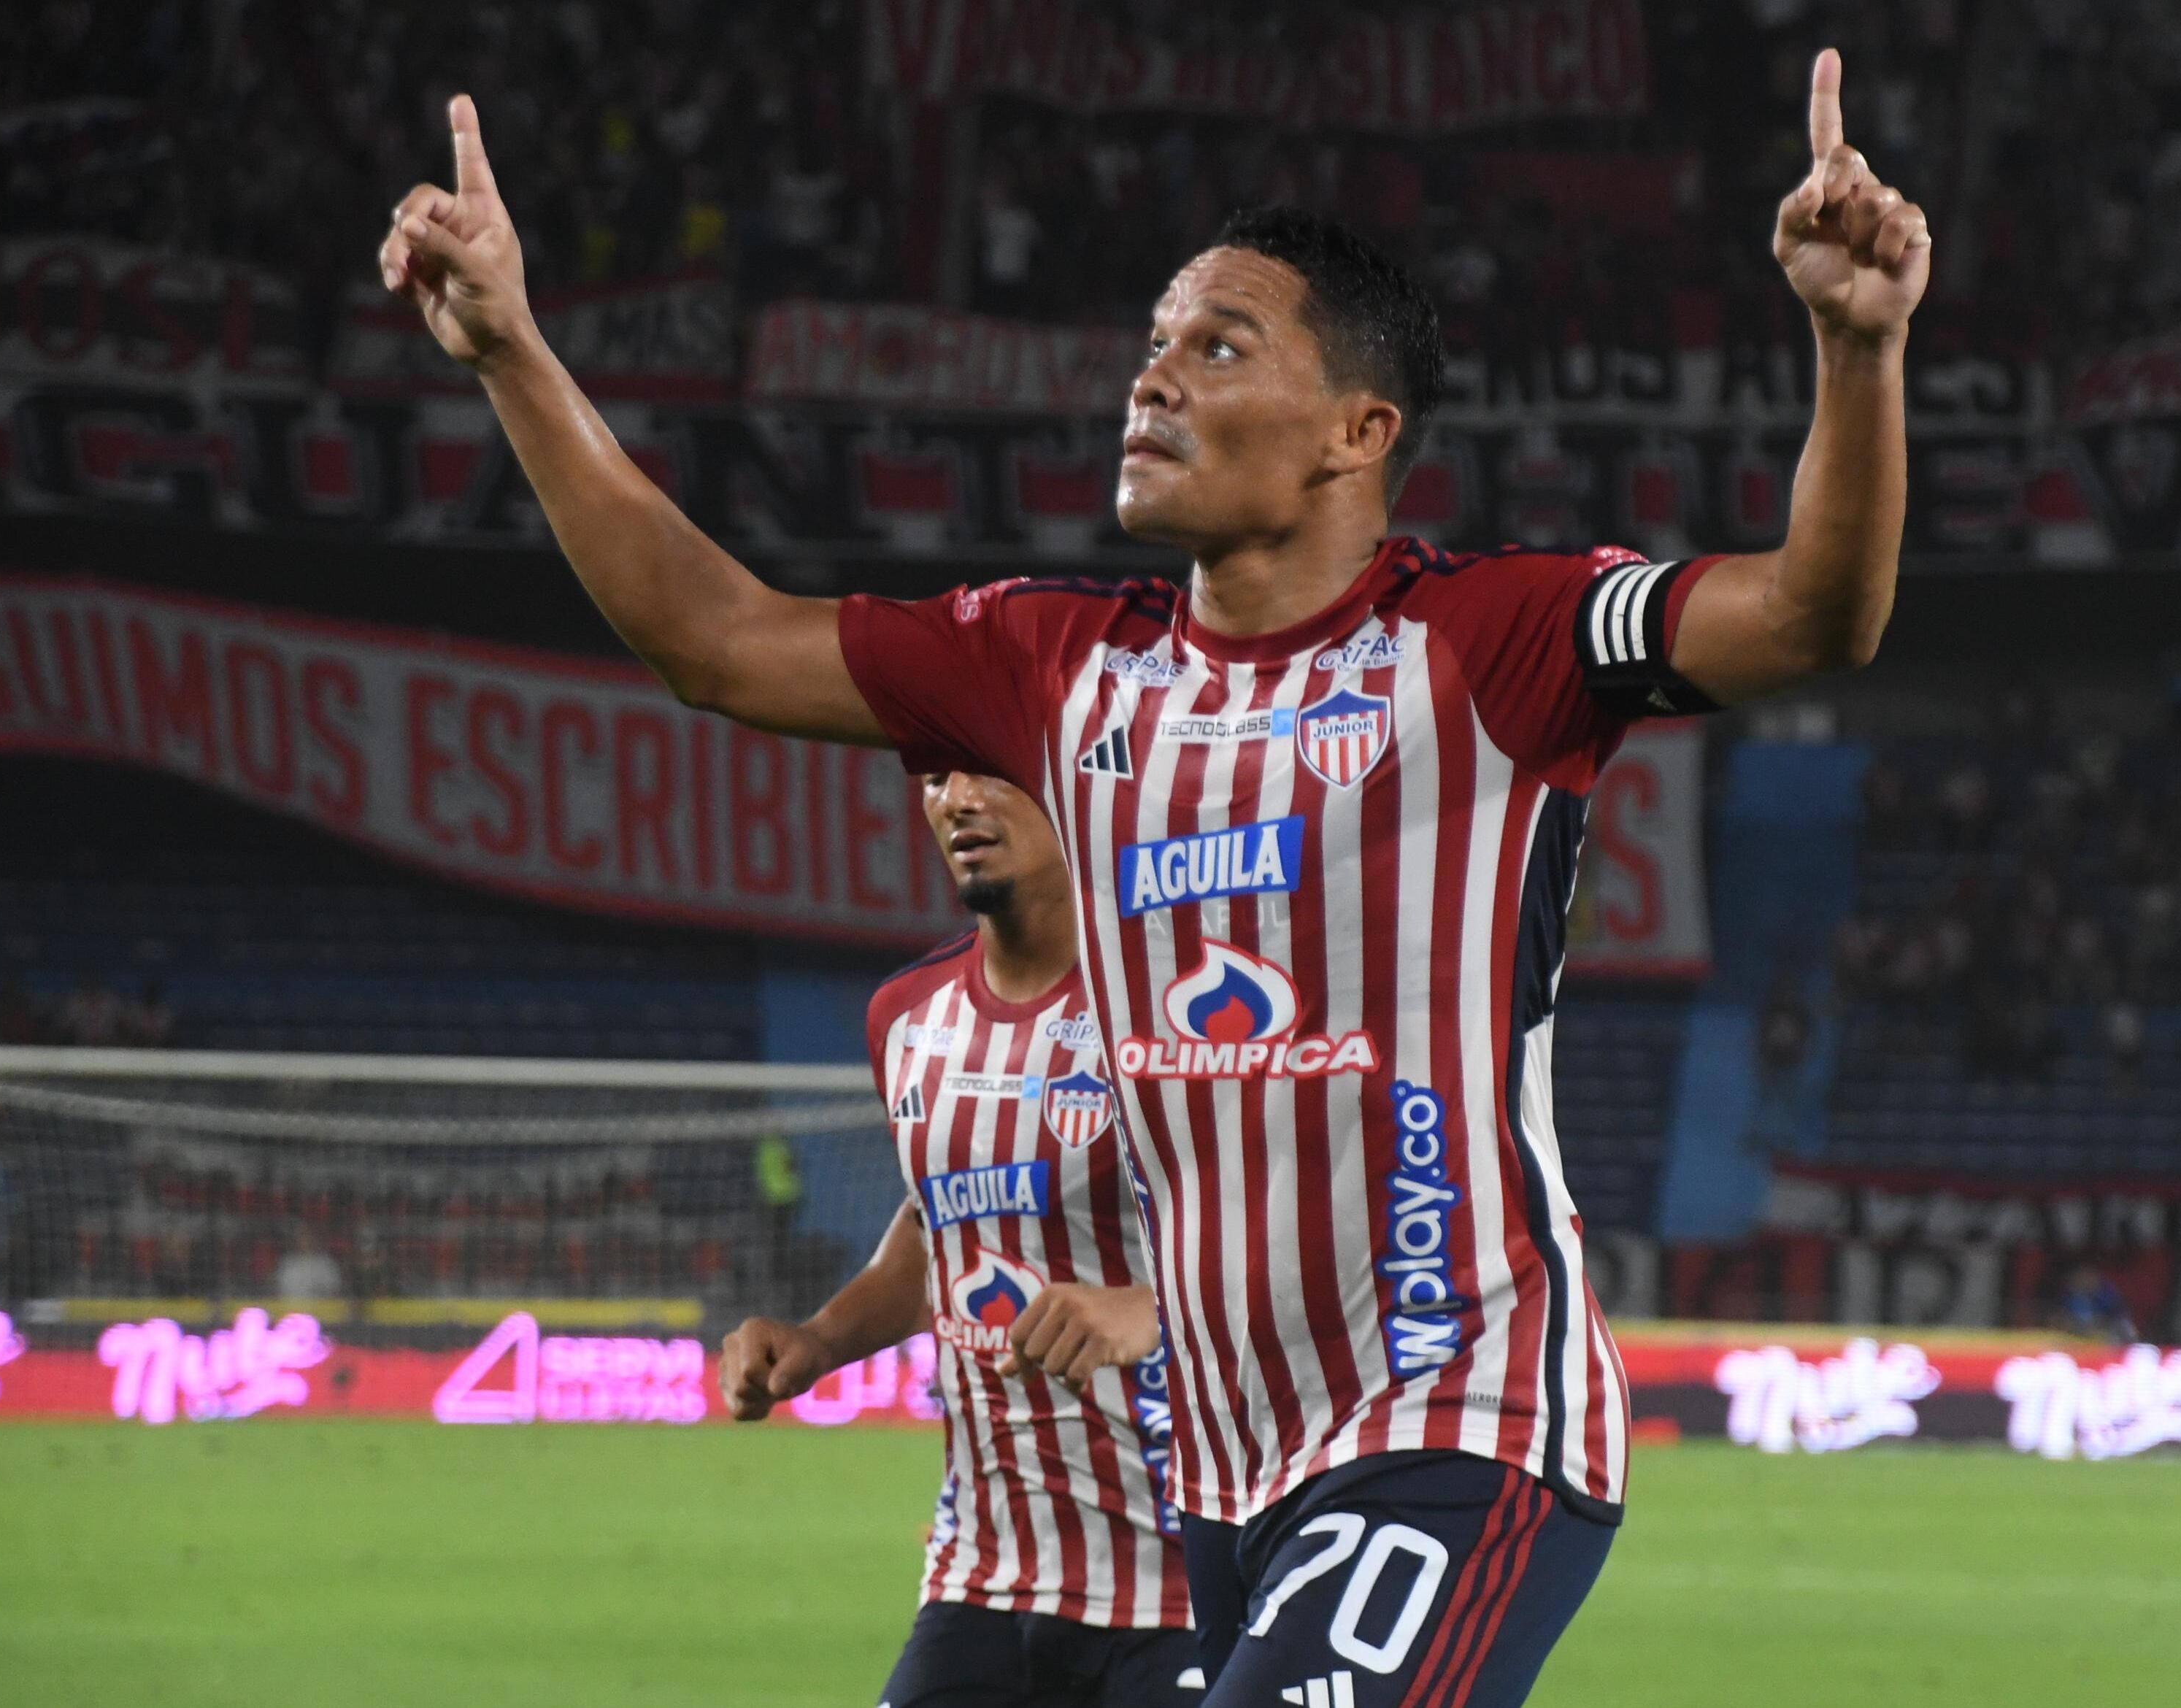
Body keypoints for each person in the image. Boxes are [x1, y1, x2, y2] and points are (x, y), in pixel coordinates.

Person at [385, 47, 1926, 1705]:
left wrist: (1855, 349)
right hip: (1225, 1471)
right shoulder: (1058, 668)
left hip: (1456, 1410)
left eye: (1215, 344)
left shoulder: (1495, 635)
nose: (1152, 381)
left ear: (1359, 429)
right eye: (1150, 348)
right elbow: (716, 639)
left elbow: (1808, 617)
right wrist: (512, 355)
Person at [719, 772, 1196, 1707]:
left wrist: (1156, 1305)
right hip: (983, 1577)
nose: (955, 798)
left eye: (991, 768)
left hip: (1182, 1581)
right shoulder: (905, 1017)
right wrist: (822, 1338)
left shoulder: (1174, 1003)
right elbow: (939, 1220)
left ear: (1077, 784)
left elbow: (1310, 1229)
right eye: (934, 775)